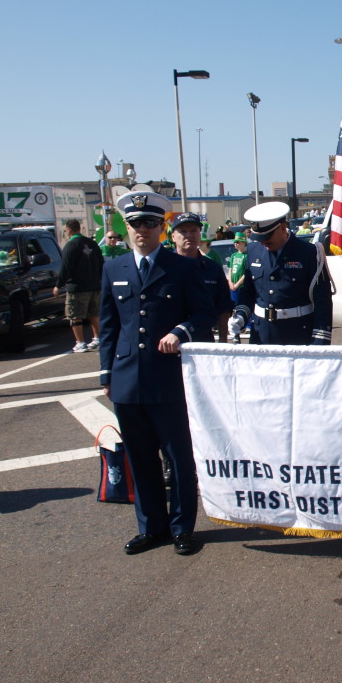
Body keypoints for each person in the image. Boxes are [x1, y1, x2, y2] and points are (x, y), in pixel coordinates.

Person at [98, 191, 215, 556]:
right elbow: (108, 326)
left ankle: (182, 528)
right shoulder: (113, 268)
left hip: (168, 377)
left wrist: (179, 332)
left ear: (162, 228)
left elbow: (203, 316)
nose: (142, 231)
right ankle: (151, 527)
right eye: (135, 224)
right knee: (141, 457)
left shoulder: (180, 267)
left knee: (178, 458)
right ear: (127, 227)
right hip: (128, 378)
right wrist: (106, 375)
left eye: (149, 223)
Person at [227, 201, 332, 345]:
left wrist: (319, 342)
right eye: (260, 239)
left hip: (297, 334)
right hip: (261, 335)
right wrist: (241, 315)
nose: (263, 243)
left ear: (283, 228)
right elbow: (249, 292)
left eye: (267, 238)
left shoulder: (309, 252)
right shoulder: (253, 251)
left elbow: (322, 302)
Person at [169, 212, 232, 343]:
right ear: (173, 236)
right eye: (183, 231)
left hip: (202, 340)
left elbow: (223, 308)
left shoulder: (212, 268)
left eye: (194, 231)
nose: (189, 235)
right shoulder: (162, 267)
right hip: (168, 341)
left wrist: (223, 341)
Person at [53, 219, 104, 353]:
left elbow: (65, 267)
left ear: (69, 230)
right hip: (95, 286)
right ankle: (97, 338)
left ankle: (80, 343)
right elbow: (101, 264)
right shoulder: (92, 244)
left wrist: (59, 285)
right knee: (94, 313)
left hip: (77, 287)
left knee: (75, 315)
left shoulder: (71, 246)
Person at [227, 231, 249, 303]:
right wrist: (230, 282)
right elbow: (230, 270)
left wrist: (237, 284)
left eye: (238, 242)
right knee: (233, 306)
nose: (235, 244)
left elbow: (246, 273)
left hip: (241, 287)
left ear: (244, 243)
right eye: (235, 242)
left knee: (240, 305)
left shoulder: (246, 256)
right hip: (232, 286)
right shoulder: (233, 255)